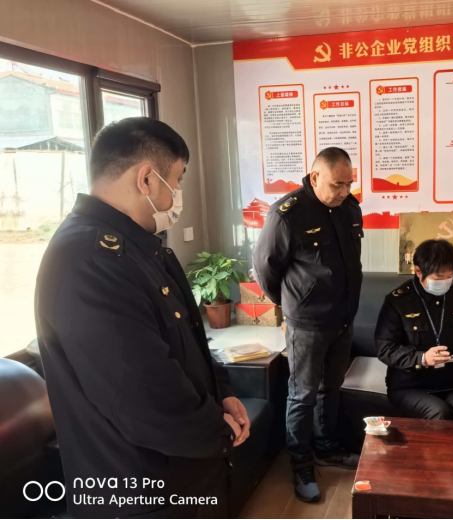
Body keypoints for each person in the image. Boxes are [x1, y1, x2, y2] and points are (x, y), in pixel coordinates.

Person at [34, 117, 250, 519]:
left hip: (182, 477)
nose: (178, 195)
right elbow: (145, 397)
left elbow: (188, 341)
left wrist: (221, 392)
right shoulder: (89, 260)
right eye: (177, 180)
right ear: (147, 179)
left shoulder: (142, 249)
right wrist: (218, 430)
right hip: (140, 493)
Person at [253, 147, 363, 503]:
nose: (343, 191)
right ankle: (301, 465)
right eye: (336, 184)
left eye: (348, 184)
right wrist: (292, 304)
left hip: (343, 319)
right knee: (302, 394)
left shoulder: (350, 208)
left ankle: (327, 448)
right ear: (315, 177)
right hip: (307, 324)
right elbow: (266, 270)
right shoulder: (287, 214)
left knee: (331, 388)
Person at [376, 239, 453, 421]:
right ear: (418, 271)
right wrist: (422, 358)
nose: (445, 282)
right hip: (409, 386)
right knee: (440, 413)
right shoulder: (398, 301)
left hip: (450, 383)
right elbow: (385, 349)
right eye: (438, 278)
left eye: (449, 276)